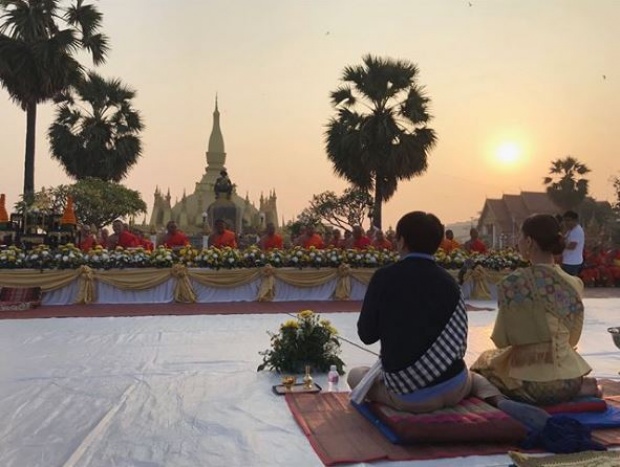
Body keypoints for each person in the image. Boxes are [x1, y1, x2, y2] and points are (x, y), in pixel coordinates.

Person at [348, 211, 504, 413]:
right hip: (454, 388)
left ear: (402, 241)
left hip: (410, 396)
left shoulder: (384, 277)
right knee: (470, 375)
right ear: (438, 243)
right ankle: (498, 399)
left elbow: (367, 335)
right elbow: (459, 345)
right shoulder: (451, 283)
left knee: (356, 375)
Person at [471, 214, 599, 406]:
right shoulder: (574, 283)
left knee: (481, 366)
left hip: (527, 384)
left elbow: (502, 339)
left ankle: (501, 401)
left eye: (521, 238)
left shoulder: (512, 284)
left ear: (530, 242)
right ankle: (583, 389)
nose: (518, 242)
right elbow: (573, 338)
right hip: (569, 380)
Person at [561, 210, 585, 276]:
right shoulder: (570, 230)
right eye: (565, 220)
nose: (566, 223)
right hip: (567, 260)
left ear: (575, 220)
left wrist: (559, 245)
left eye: (568, 220)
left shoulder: (577, 231)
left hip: (572, 262)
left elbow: (572, 246)